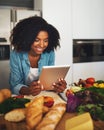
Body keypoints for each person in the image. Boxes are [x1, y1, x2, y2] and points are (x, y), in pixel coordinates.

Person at [9, 16, 67, 96]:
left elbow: (49, 82)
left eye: (45, 40)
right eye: (37, 40)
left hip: (43, 96)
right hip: (23, 97)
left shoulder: (49, 53)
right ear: (27, 39)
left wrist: (57, 86)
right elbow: (14, 85)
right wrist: (28, 90)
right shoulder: (16, 54)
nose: (42, 45)